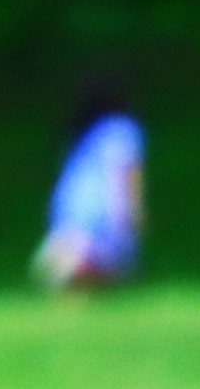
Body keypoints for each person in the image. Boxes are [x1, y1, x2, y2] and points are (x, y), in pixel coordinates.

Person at [34, 82, 143, 293]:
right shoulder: (122, 128)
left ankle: (68, 267)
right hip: (103, 207)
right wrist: (134, 213)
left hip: (68, 206)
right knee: (113, 259)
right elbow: (125, 175)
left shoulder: (85, 132)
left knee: (86, 255)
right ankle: (76, 269)